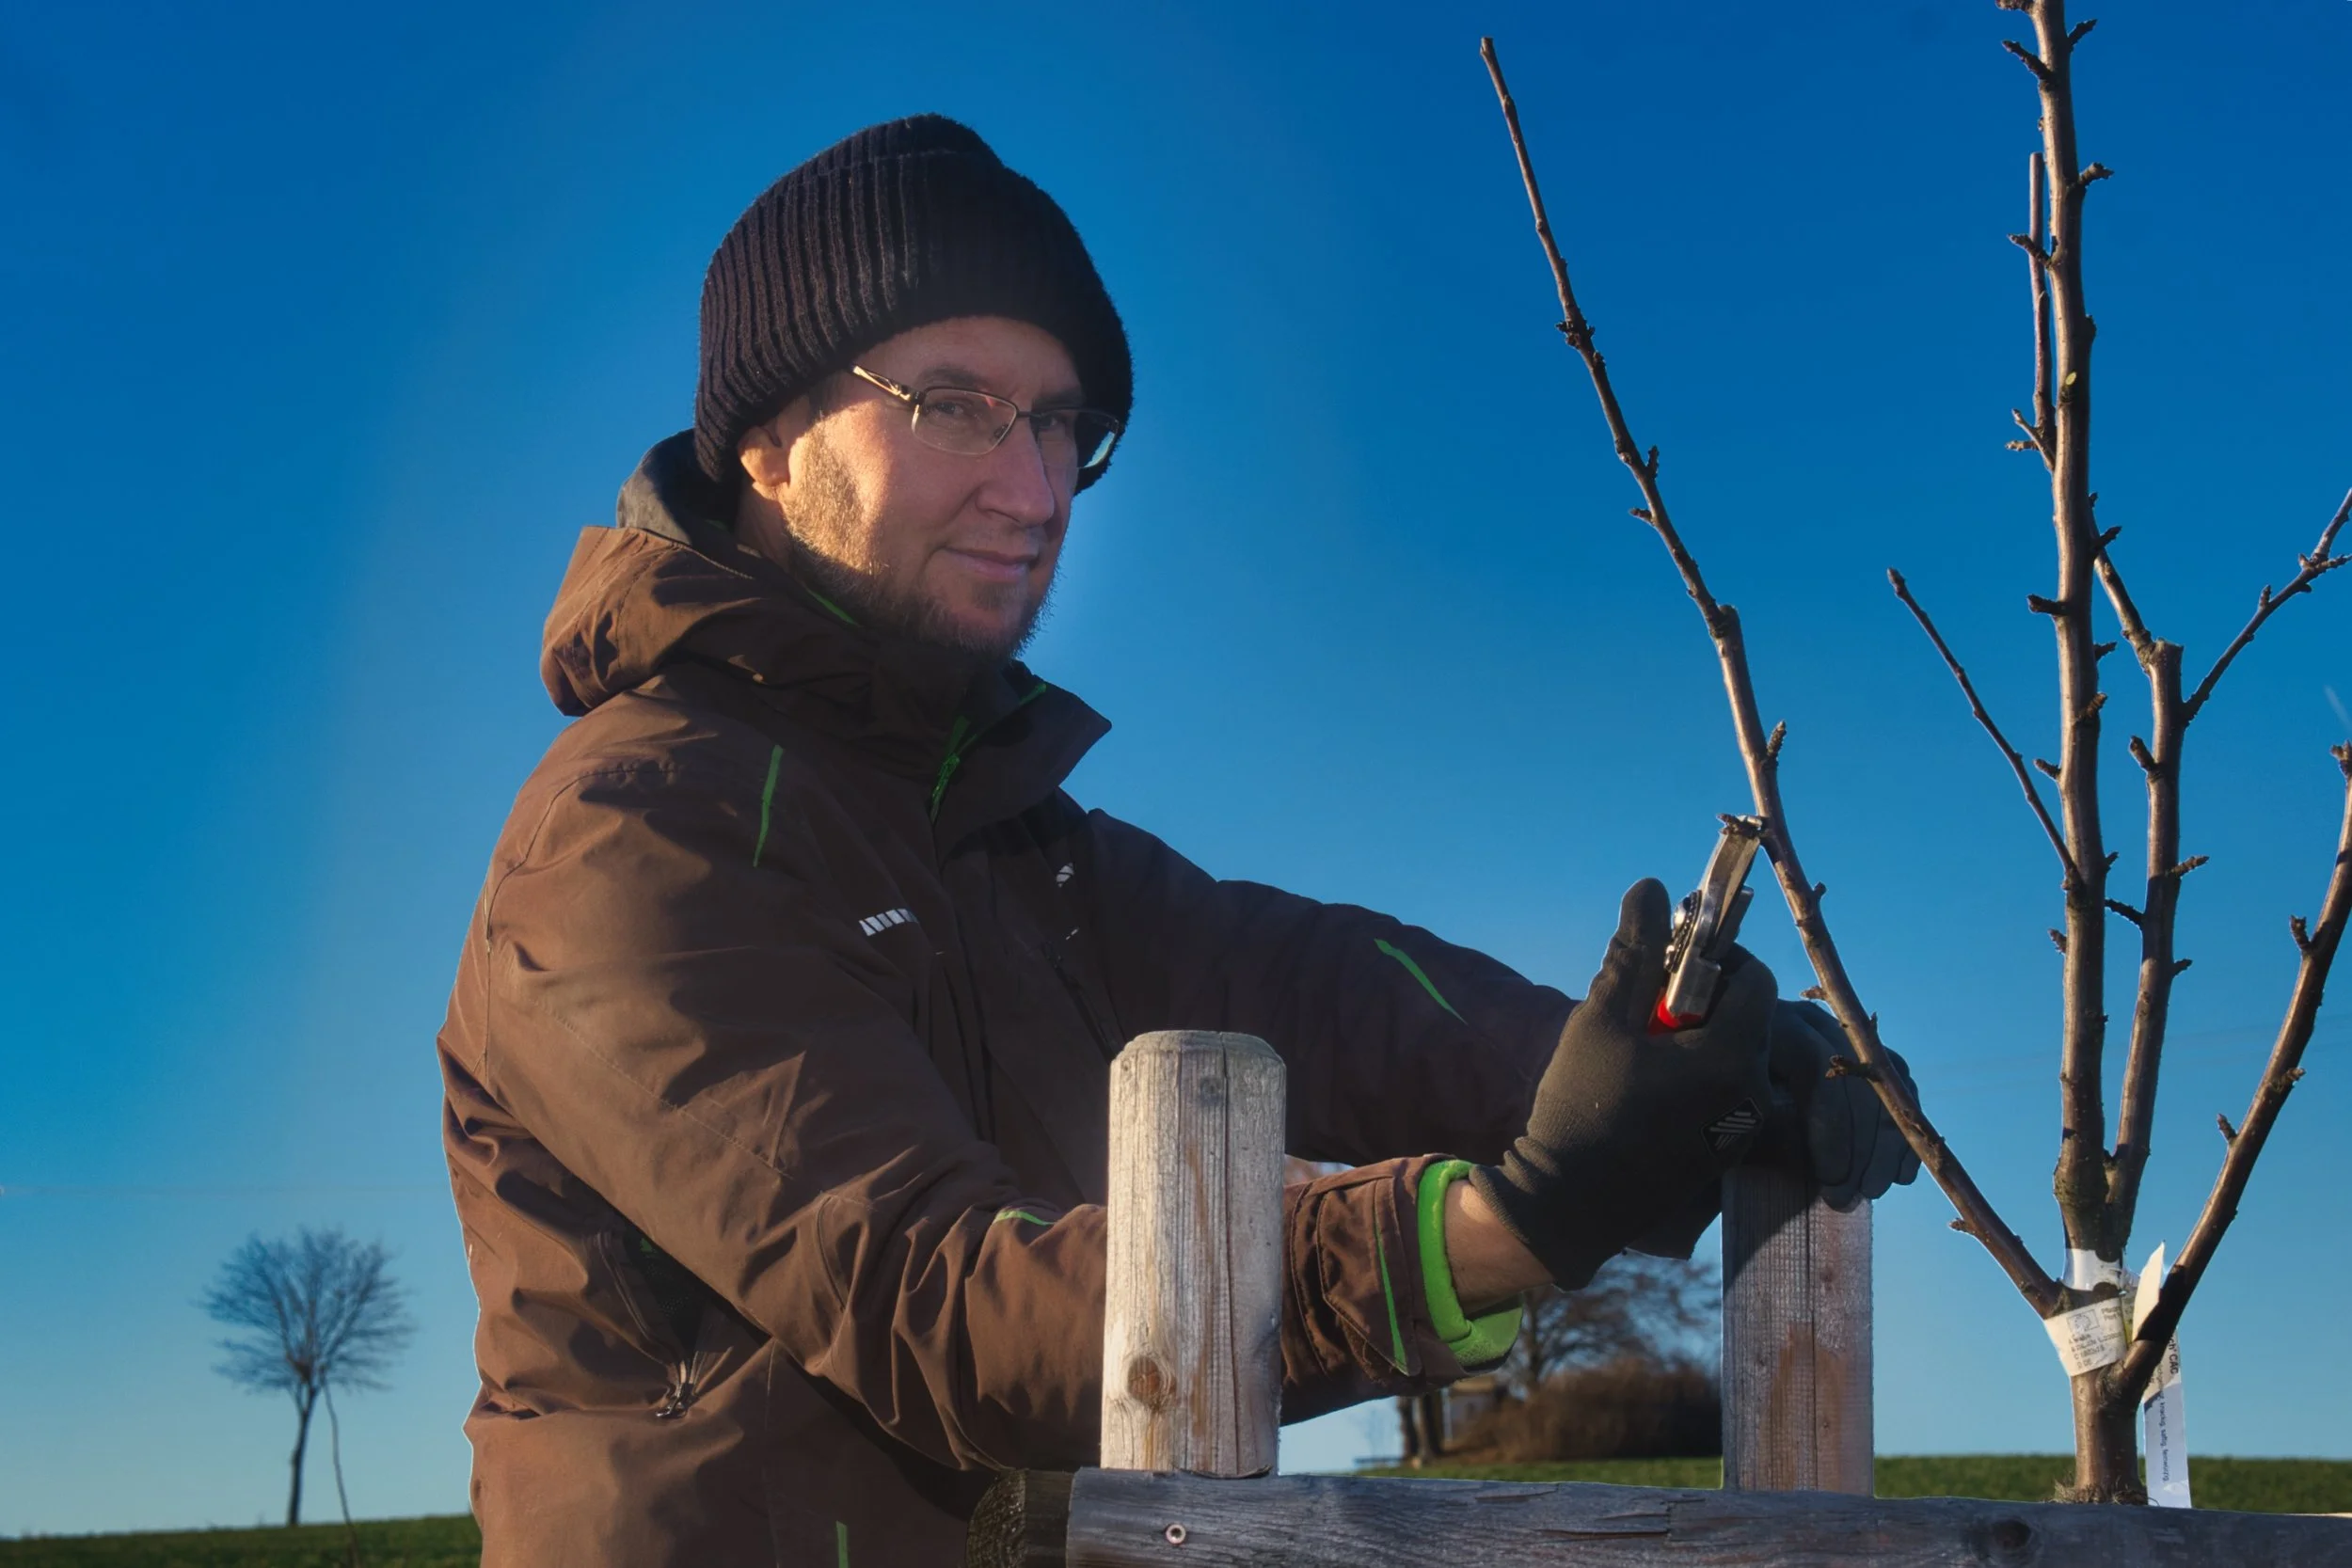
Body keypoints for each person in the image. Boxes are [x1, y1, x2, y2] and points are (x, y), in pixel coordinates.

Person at [436, 114, 1916, 1567]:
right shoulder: (633, 835)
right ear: (767, 443)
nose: (1032, 492)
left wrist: (1671, 1070)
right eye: (953, 405)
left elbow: (1319, 989)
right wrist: (1502, 1225)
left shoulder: (1012, 843)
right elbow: (937, 1299)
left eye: (1061, 425)